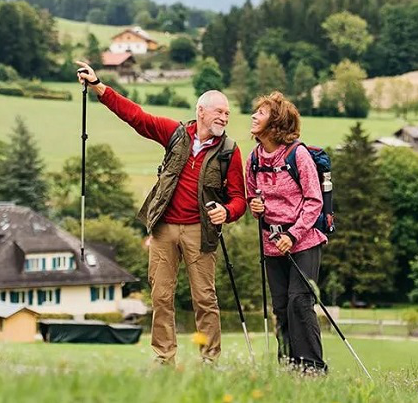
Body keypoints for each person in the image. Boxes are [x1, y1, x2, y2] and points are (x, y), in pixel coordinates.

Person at [75, 61, 247, 365]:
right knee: (161, 297)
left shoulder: (229, 152)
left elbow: (239, 199)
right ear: (201, 111)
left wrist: (227, 211)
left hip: (200, 231)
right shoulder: (175, 134)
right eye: (219, 111)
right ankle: (163, 358)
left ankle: (210, 361)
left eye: (227, 113)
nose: (224, 117)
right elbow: (136, 117)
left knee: (205, 300)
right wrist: (99, 86)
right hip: (163, 228)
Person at [246, 91, 327, 373]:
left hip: (303, 241)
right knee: (281, 307)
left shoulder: (298, 155)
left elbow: (314, 200)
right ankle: (288, 368)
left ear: (276, 122)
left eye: (261, 113)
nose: (253, 116)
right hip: (271, 243)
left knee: (299, 303)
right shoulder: (254, 159)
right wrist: (254, 206)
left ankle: (313, 368)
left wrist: (292, 235)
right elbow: (252, 199)